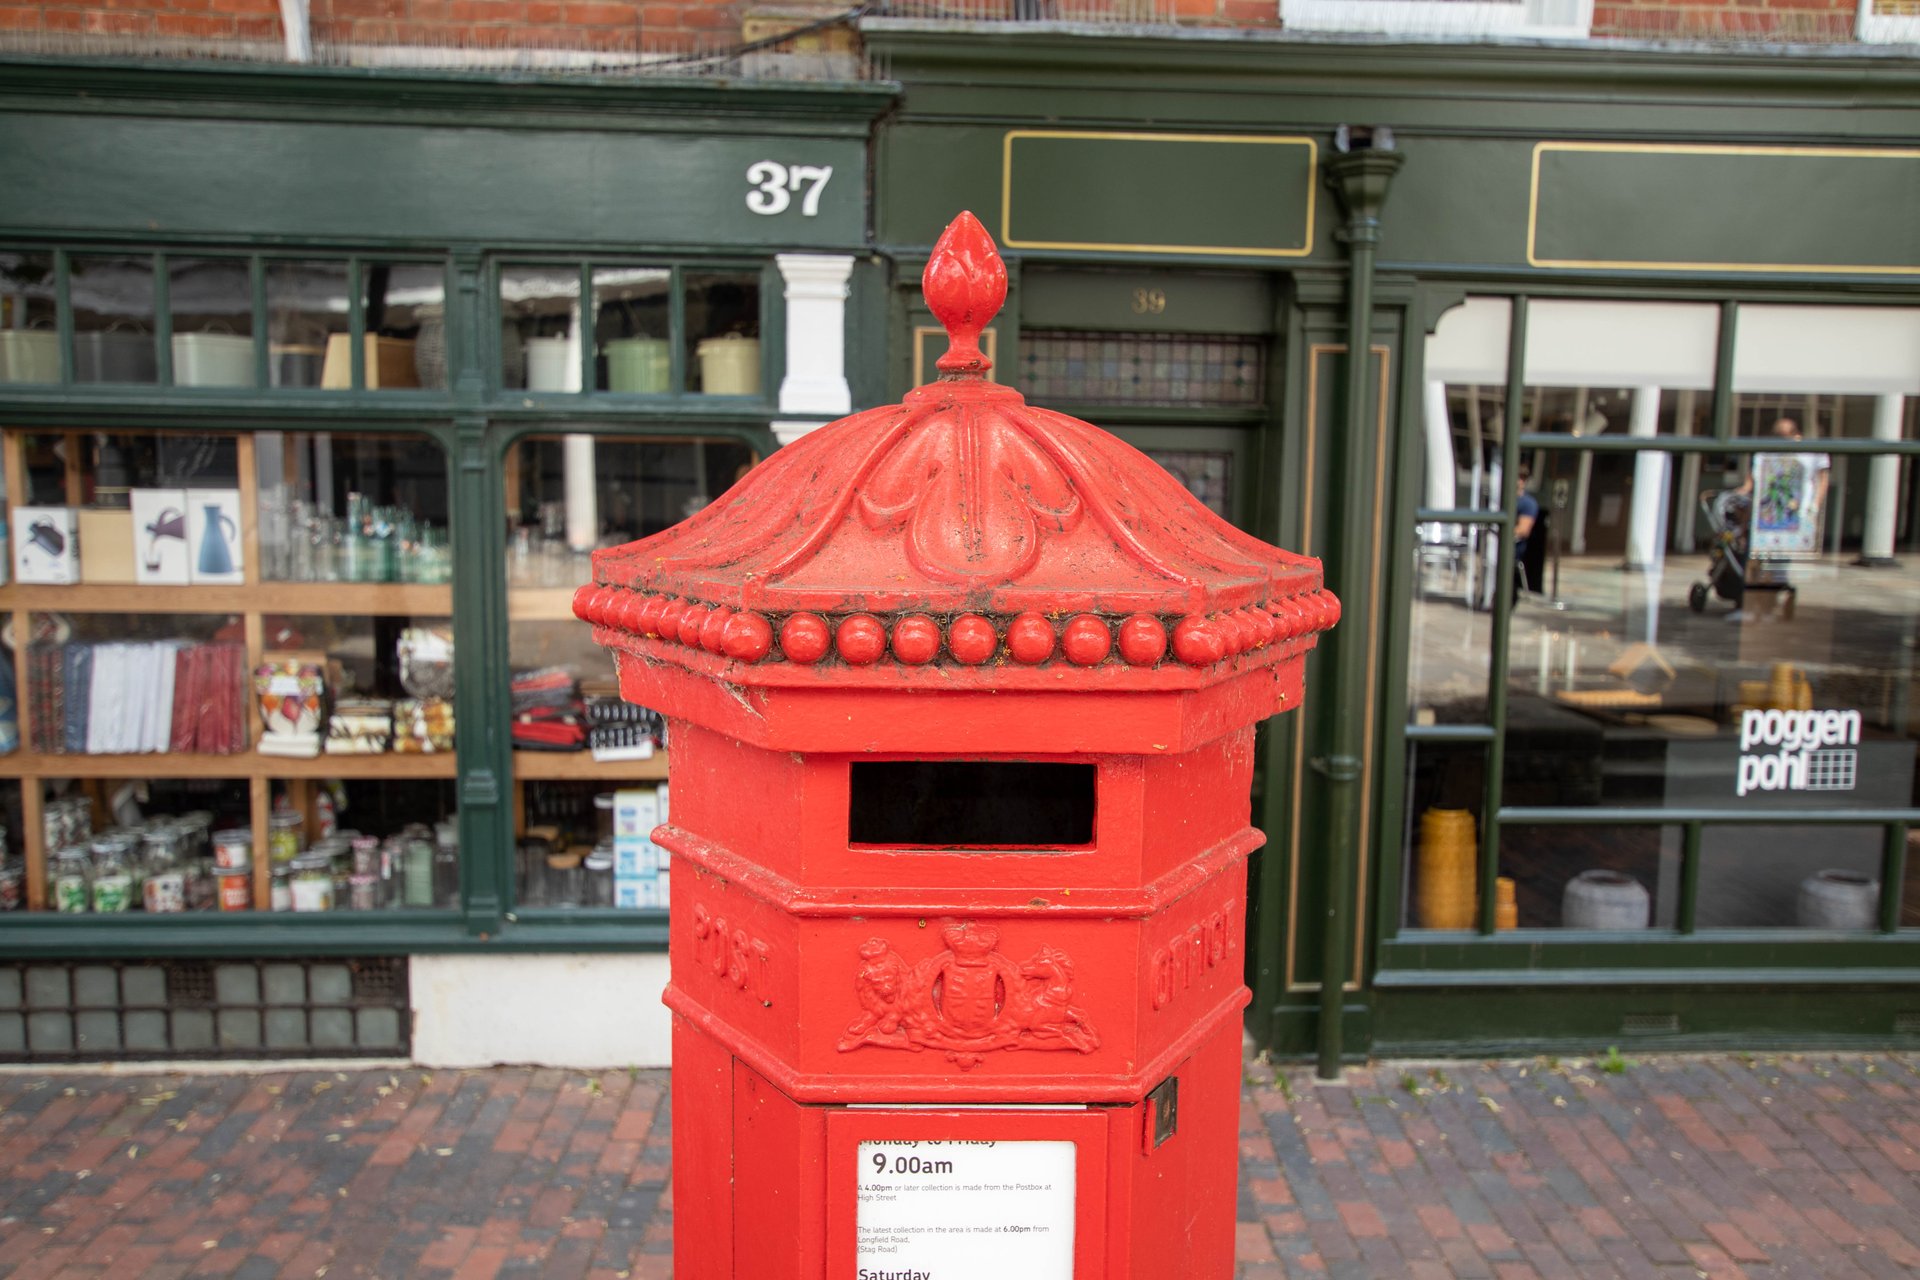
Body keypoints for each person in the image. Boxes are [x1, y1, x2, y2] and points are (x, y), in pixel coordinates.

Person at [1514, 464, 1544, 594]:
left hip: (1514, 550)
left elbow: (1523, 530)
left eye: (1520, 478)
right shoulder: (1498, 499)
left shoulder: (1528, 503)